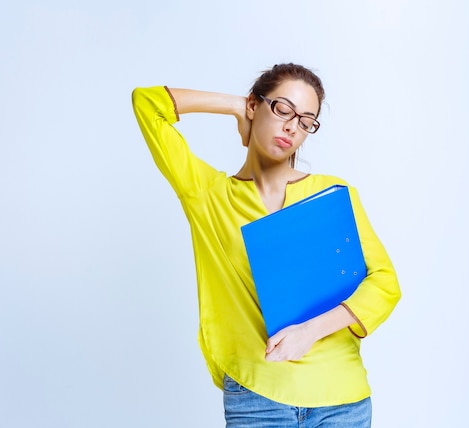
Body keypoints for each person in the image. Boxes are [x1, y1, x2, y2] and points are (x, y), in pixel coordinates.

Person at [132, 63, 401, 427]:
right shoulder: (208, 195)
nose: (292, 126)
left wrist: (309, 333)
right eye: (282, 109)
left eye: (306, 120)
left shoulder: (332, 194)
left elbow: (384, 283)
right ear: (255, 106)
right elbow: (147, 104)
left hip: (342, 398)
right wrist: (233, 105)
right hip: (258, 398)